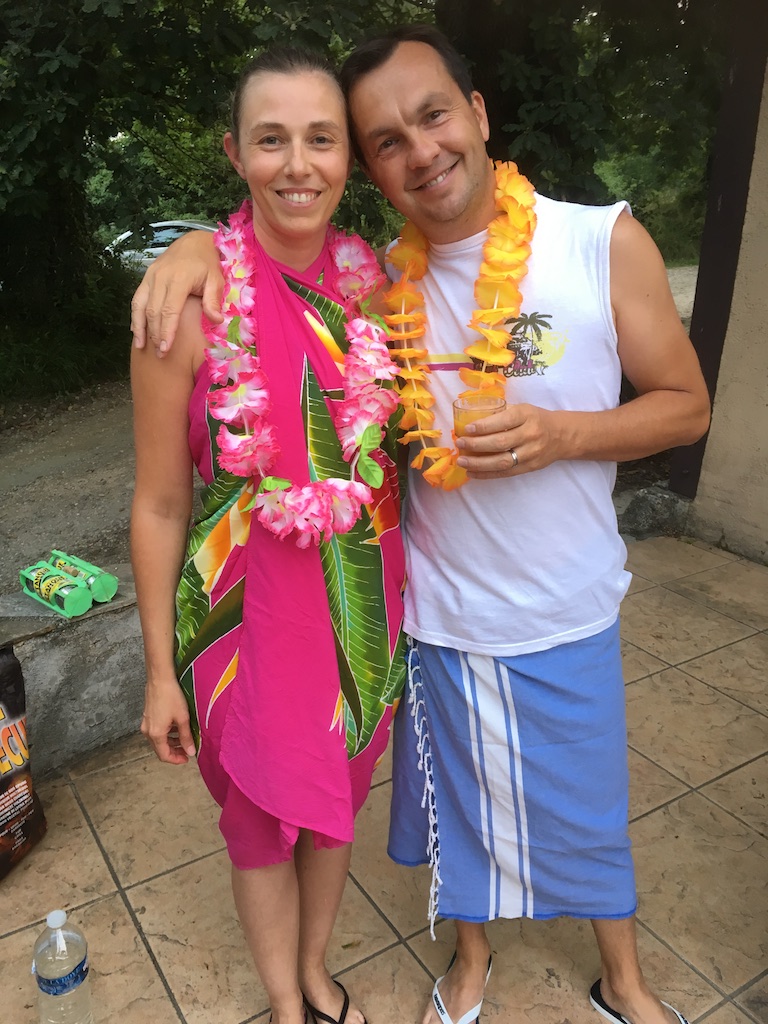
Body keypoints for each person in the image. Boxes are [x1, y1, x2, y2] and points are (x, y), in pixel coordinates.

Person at [131, 26, 711, 1024]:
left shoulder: (489, 264)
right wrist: (191, 247)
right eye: (384, 140)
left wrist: (565, 434)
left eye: (325, 138)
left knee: (504, 805)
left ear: (473, 115)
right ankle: (375, 983)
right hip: (336, 615)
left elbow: (684, 404)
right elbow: (165, 485)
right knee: (359, 817)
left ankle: (590, 978)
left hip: (467, 606)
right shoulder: (288, 295)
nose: (418, 151)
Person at [130, 47, 406, 1024]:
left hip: (360, 607)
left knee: (336, 807)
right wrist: (159, 673)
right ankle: (288, 1003)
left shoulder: (379, 293)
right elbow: (160, 504)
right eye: (271, 139)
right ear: (235, 154)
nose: (298, 164)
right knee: (256, 822)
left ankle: (316, 969)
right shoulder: (183, 311)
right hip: (242, 617)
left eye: (321, 139)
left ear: (347, 156)